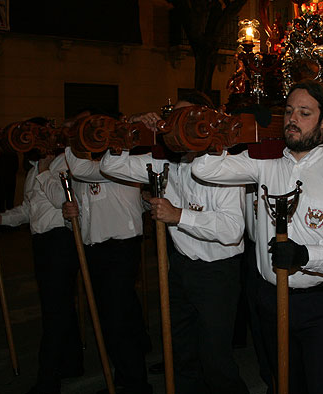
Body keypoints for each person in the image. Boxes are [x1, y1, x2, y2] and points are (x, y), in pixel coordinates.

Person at [192, 80, 323, 394]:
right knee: (284, 384)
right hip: (271, 299)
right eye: (289, 111)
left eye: (304, 113)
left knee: (322, 387)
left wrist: (306, 256)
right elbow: (205, 170)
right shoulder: (266, 163)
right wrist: (221, 134)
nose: (293, 119)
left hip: (321, 306)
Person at [100, 92, 250, 394]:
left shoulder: (225, 164)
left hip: (217, 273)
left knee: (215, 360)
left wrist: (178, 216)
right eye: (173, 120)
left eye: (187, 118)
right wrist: (128, 130)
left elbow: (232, 229)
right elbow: (110, 166)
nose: (178, 126)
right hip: (181, 268)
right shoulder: (165, 162)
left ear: (204, 122)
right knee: (181, 352)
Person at [0, 139, 83, 394]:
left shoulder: (64, 163)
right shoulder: (32, 170)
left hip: (61, 241)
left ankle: (48, 380)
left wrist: (45, 172)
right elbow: (30, 209)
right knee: (60, 308)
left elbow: (65, 201)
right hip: (41, 243)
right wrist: (2, 218)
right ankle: (72, 363)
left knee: (54, 312)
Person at [62, 135, 151, 394]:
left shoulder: (118, 164)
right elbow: (83, 215)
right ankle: (125, 374)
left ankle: (137, 385)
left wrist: (70, 143)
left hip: (120, 248)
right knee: (113, 318)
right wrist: (70, 216)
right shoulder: (85, 171)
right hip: (94, 250)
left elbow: (85, 170)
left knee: (117, 321)